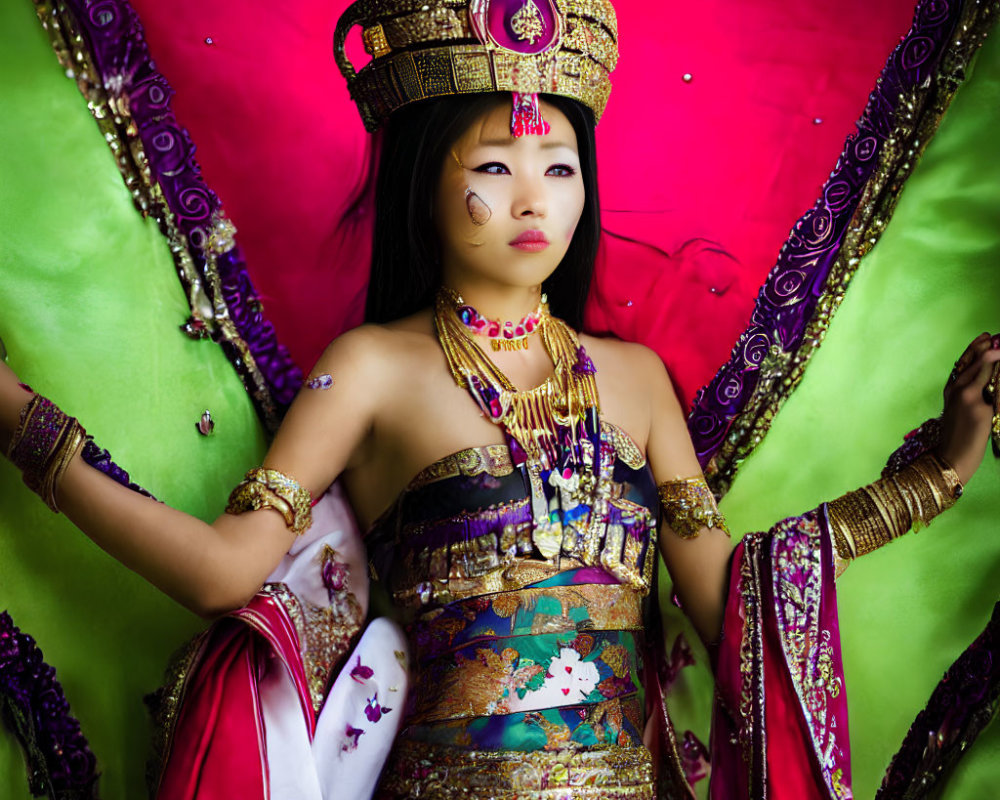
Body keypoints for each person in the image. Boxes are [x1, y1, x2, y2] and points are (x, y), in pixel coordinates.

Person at [1, 0, 998, 798]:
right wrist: (20, 420)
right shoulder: (373, 367)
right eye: (493, 165)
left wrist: (937, 475)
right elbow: (225, 572)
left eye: (558, 167)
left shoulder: (636, 379)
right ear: (424, 188)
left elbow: (732, 598)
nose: (533, 198)